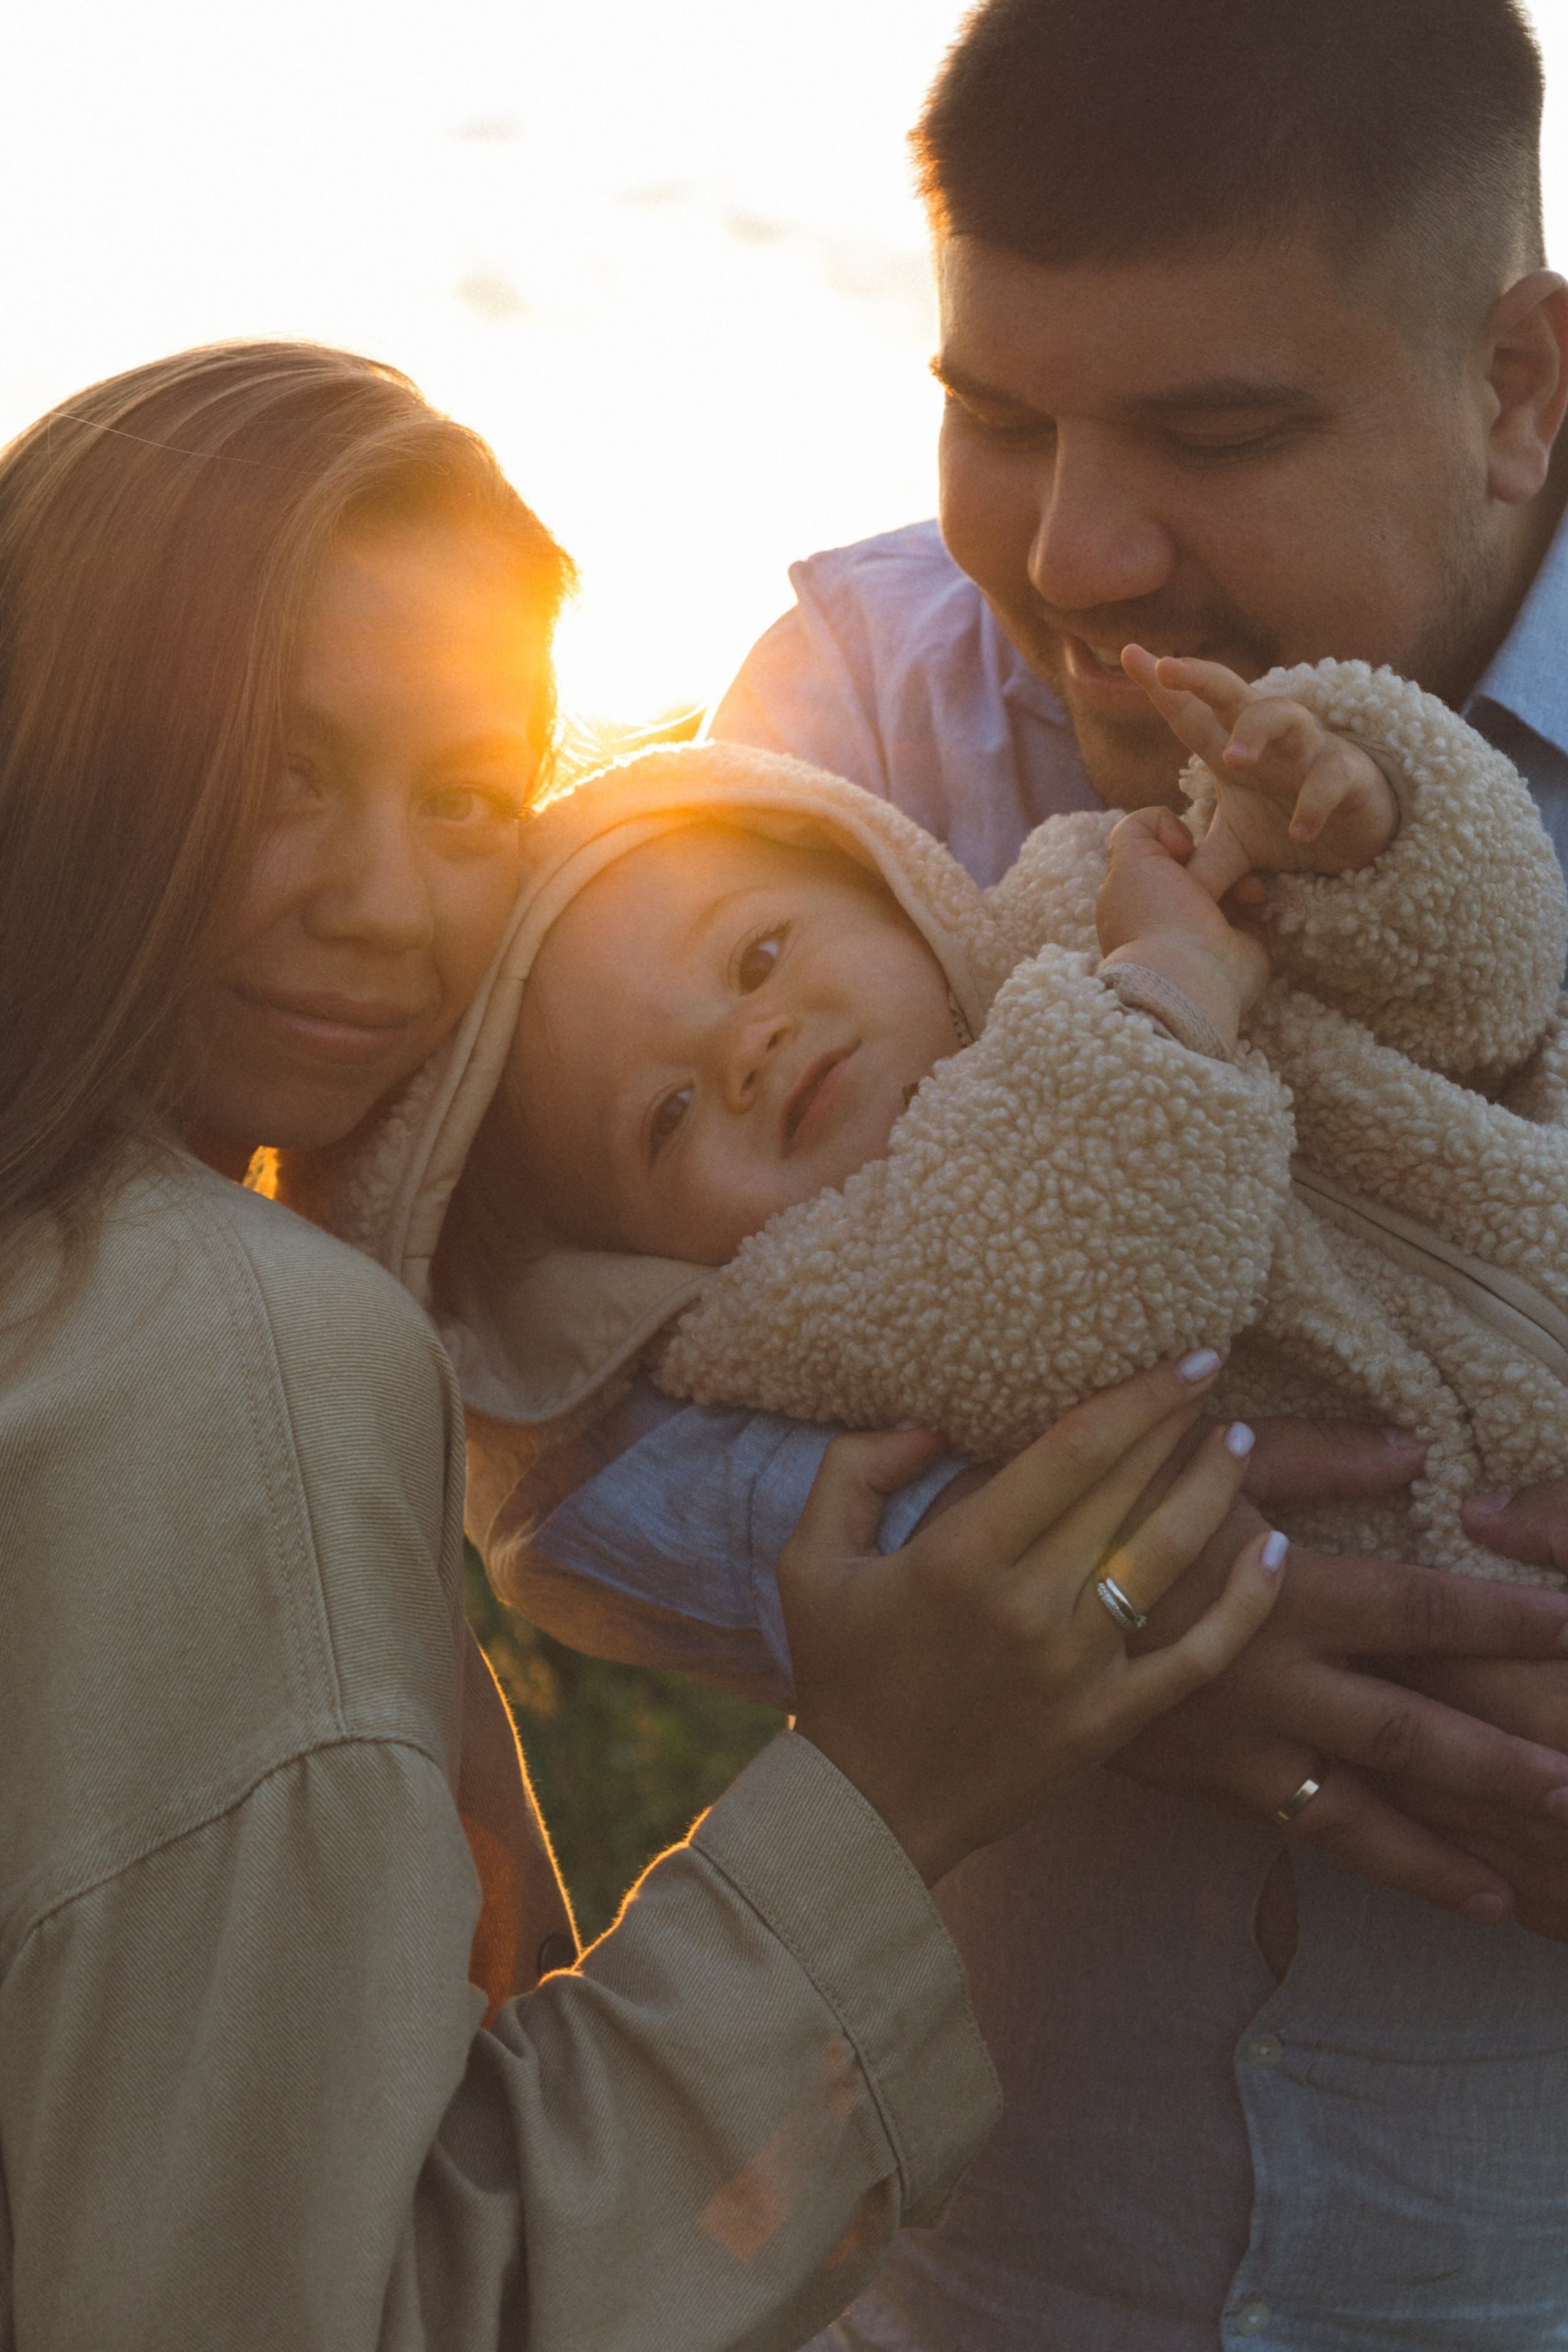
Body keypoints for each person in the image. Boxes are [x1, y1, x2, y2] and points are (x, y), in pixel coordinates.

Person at [0, 338, 1297, 2351]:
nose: (383, 904)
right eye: (278, 772)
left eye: (465, 798)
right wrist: (879, 1795)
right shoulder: (230, 1350)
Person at [465, 1, 1568, 2343]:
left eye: (1216, 430)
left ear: (1519, 384)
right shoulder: (847, 713)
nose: (1074, 552)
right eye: (995, 413)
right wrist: (1074, 1625)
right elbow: (563, 1423)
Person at [381, 650, 1568, 1590]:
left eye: (757, 954)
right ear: (633, 1262)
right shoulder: (812, 1302)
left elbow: (1484, 994)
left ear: (876, 876)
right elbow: (1081, 1305)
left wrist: (1362, 830)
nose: (751, 1046)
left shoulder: (1078, 898)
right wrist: (1167, 989)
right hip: (1483, 1554)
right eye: (667, 1115)